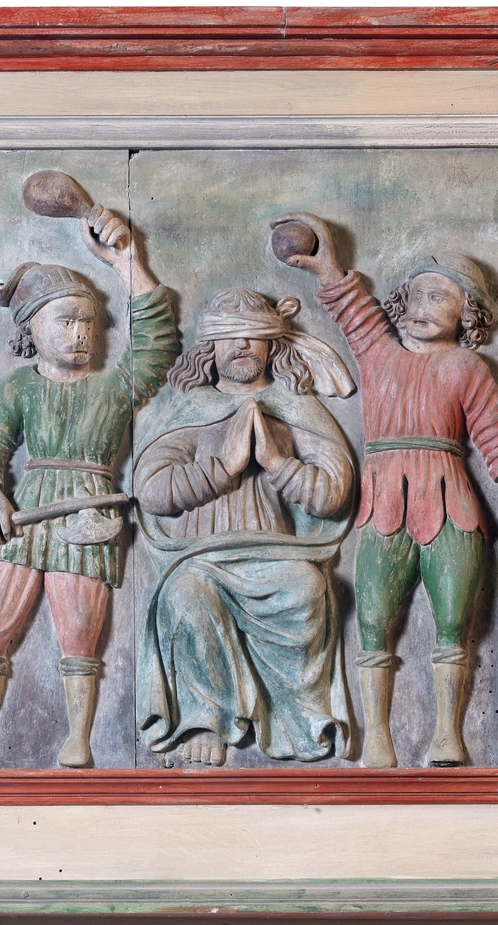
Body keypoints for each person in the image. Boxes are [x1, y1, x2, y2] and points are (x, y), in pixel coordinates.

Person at [273, 212, 498, 768]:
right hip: (384, 503)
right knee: (373, 617)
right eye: (416, 295)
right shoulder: (379, 353)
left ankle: (448, 735)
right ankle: (379, 739)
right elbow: (352, 310)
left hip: (452, 504)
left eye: (439, 298)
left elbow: (491, 426)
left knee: (454, 619)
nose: (422, 306)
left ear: (467, 313)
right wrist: (326, 265)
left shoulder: (466, 366)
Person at [0, 203, 179, 768]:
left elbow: (157, 345)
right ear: (31, 328)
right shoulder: (18, 388)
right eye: (65, 321)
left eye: (88, 322)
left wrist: (127, 263)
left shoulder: (112, 389)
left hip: (88, 513)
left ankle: (79, 739)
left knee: (81, 630)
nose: (80, 333)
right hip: (21, 514)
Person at [134, 287, 357, 767]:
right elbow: (150, 490)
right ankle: (204, 721)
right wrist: (224, 467)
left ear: (273, 345)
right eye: (229, 336)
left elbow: (333, 492)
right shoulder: (190, 408)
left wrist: (277, 462)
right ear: (209, 348)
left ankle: (298, 720)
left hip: (275, 553)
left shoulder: (294, 405)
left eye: (253, 336)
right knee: (186, 594)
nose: (241, 345)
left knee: (307, 589)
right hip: (201, 556)